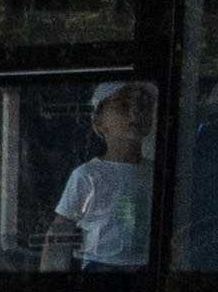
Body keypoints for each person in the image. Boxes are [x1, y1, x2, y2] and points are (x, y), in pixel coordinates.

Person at [55, 78, 156, 270]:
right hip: (100, 269)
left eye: (143, 106)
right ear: (99, 122)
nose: (135, 113)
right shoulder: (87, 175)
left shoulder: (156, 173)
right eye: (123, 106)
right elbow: (61, 230)